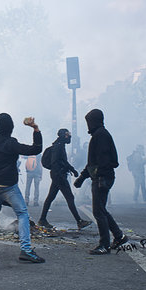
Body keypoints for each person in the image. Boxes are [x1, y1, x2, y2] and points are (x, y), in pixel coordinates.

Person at [0, 113, 45, 263]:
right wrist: (35, 129)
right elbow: (35, 150)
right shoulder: (11, 143)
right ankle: (26, 250)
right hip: (8, 187)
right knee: (22, 213)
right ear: (11, 128)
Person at [73, 109, 127, 255]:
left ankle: (104, 244)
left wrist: (98, 176)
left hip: (102, 177)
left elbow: (102, 162)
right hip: (102, 177)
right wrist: (82, 178)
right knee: (101, 210)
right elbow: (92, 163)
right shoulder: (100, 135)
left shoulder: (101, 135)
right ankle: (119, 236)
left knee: (98, 211)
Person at [38, 129, 92, 230]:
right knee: (70, 197)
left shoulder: (60, 145)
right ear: (63, 136)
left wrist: (72, 169)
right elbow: (56, 162)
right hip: (59, 176)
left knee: (50, 197)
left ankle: (42, 219)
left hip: (57, 175)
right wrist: (65, 172)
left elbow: (63, 161)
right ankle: (79, 221)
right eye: (67, 135)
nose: (69, 137)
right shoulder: (58, 147)